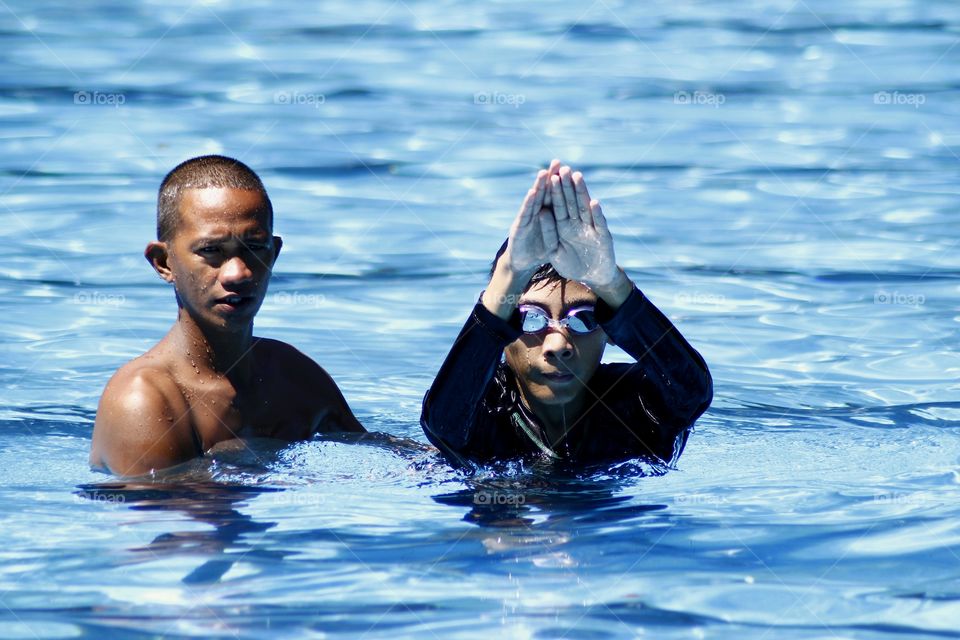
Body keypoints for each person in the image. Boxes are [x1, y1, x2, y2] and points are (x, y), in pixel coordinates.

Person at [421, 161, 712, 468]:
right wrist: (509, 274)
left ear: (611, 330)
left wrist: (609, 282)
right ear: (502, 335)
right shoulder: (485, 410)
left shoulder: (637, 407)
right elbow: (443, 425)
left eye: (583, 319)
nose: (558, 345)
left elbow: (691, 391)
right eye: (531, 318)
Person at [90, 155, 364, 477]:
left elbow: (392, 459)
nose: (239, 273)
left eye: (254, 247)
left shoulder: (292, 374)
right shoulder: (146, 400)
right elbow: (176, 522)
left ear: (273, 255)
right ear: (164, 263)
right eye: (211, 251)